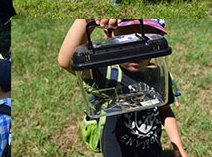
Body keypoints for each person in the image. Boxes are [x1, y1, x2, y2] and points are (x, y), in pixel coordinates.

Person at [58, 19, 188, 157]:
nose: (135, 52)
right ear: (108, 36)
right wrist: (86, 20)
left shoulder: (158, 74)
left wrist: (178, 148)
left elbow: (165, 111)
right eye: (125, 41)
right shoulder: (105, 74)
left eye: (144, 43)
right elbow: (66, 61)